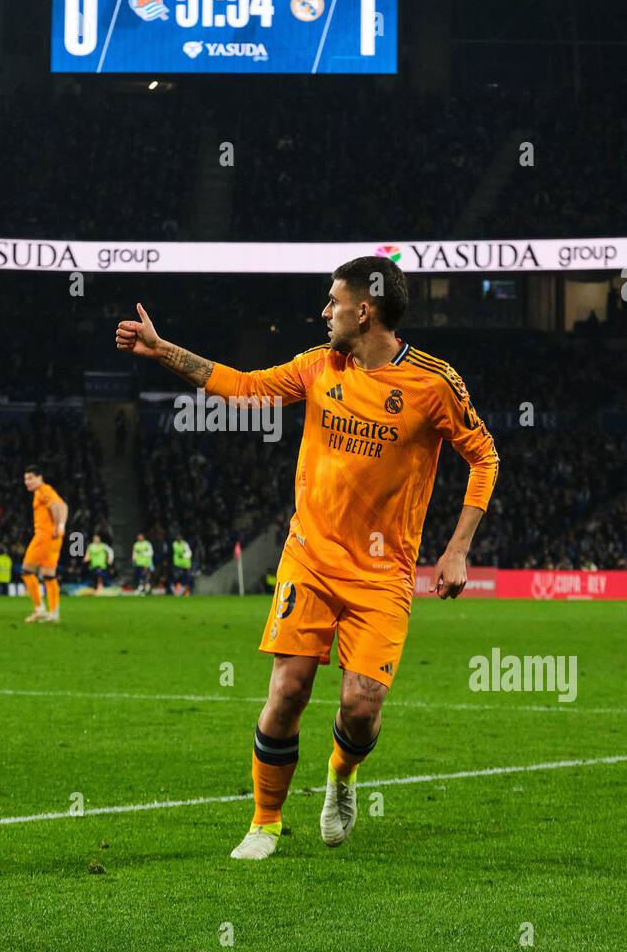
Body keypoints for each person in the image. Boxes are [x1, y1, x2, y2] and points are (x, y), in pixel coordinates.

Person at [116, 257, 499, 861]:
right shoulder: (319, 367)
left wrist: (456, 549)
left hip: (383, 574)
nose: (324, 312)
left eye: (332, 301)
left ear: (363, 310)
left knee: (362, 705)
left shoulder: (433, 384)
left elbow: (484, 457)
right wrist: (163, 351)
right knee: (289, 689)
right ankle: (264, 823)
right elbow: (244, 388)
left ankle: (342, 776)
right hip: (311, 558)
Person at [21, 467, 67, 624]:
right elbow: (64, 506)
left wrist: (56, 526)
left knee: (27, 570)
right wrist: (61, 526)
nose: (27, 482)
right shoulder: (48, 490)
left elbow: (55, 507)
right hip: (54, 538)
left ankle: (39, 610)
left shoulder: (42, 490)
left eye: (30, 478)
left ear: (39, 477)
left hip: (44, 536)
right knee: (49, 575)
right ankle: (54, 613)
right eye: (25, 479)